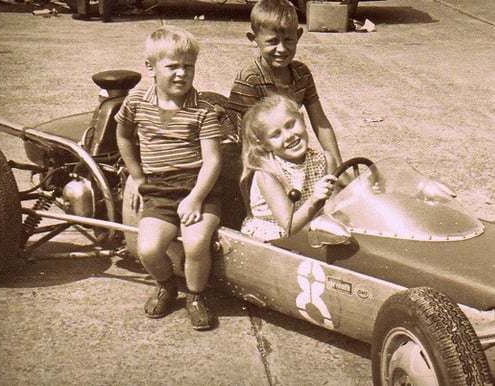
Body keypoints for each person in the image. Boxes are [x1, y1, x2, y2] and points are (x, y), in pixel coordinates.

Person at [115, 25, 221, 329]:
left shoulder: (202, 111)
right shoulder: (137, 102)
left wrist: (196, 198)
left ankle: (195, 295)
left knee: (196, 242)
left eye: (188, 66)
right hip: (159, 189)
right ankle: (166, 285)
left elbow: (212, 161)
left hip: (199, 188)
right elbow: (122, 136)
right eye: (172, 66)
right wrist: (136, 175)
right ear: (150, 67)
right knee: (147, 248)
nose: (181, 74)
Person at [228, 0, 343, 170]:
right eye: (272, 41)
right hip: (259, 161)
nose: (281, 49)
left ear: (298, 36)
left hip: (286, 151)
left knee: (330, 175)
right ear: (254, 39)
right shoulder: (249, 80)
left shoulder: (301, 73)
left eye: (288, 40)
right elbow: (246, 139)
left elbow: (320, 122)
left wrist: (339, 168)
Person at [240, 94, 338, 241]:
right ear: (265, 144)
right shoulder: (267, 173)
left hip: (311, 230)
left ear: (303, 120)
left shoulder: (324, 159)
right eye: (276, 134)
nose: (288, 136)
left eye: (290, 125)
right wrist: (314, 200)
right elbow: (289, 226)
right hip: (276, 238)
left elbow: (335, 206)